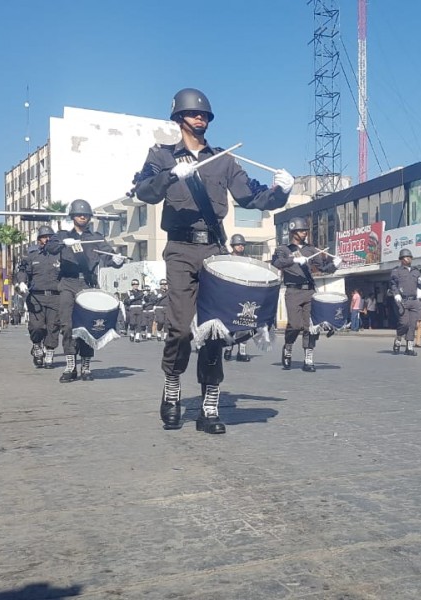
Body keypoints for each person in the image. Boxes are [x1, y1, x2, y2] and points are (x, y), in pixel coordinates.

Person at [132, 87, 293, 434]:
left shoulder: (224, 160)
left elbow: (253, 196)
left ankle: (209, 405)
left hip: (214, 252)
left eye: (204, 114)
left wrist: (282, 191)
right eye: (193, 114)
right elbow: (143, 191)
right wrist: (172, 175)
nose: (200, 118)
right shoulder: (161, 156)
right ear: (179, 118)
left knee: (215, 331)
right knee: (179, 327)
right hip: (179, 249)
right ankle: (172, 388)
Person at [45, 199, 125, 382]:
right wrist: (63, 243)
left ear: (89, 217)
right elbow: (50, 248)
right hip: (67, 283)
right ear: (72, 216)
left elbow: (110, 257)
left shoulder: (95, 237)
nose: (83, 217)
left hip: (87, 284)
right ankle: (70, 366)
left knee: (88, 326)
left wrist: (118, 261)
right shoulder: (62, 235)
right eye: (79, 214)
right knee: (67, 325)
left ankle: (86, 366)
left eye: (86, 215)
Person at [272, 217, 341, 372]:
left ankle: (308, 358)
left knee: (310, 327)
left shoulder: (311, 249)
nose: (305, 233)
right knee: (295, 325)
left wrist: (335, 265)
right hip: (292, 291)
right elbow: (276, 263)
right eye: (302, 230)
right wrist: (293, 260)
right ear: (293, 232)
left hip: (309, 290)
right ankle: (288, 347)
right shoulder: (283, 249)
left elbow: (323, 268)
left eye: (305, 231)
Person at [15, 225, 61, 368]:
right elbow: (22, 270)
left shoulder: (60, 255)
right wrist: (22, 282)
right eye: (44, 237)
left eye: (49, 237)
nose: (47, 239)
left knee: (53, 327)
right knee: (36, 327)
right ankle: (36, 345)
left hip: (56, 297)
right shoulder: (32, 255)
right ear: (39, 239)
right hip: (36, 297)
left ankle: (49, 352)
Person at [389, 248, 421, 356]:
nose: (409, 259)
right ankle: (398, 339)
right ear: (401, 259)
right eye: (407, 257)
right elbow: (393, 284)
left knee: (412, 325)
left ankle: (409, 347)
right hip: (403, 300)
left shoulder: (416, 271)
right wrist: (396, 293)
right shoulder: (396, 271)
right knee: (404, 323)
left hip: (414, 300)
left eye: (410, 257)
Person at [223, 233, 254, 362]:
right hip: (230, 294)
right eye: (238, 244)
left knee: (245, 324)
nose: (241, 246)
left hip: (245, 294)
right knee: (230, 323)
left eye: (242, 244)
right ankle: (229, 347)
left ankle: (242, 352)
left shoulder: (248, 259)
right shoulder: (227, 259)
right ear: (233, 246)